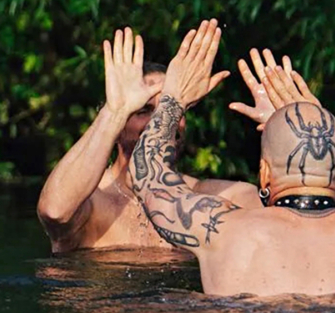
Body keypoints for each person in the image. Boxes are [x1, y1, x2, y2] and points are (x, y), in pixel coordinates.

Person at [119, 20, 335, 302]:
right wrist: (329, 137)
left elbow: (148, 176)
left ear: (264, 172)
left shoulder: (219, 230)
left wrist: (173, 100)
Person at [36, 31, 262, 254]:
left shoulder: (210, 198)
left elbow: (270, 221)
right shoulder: (92, 203)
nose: (159, 120)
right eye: (143, 110)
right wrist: (115, 112)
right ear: (118, 125)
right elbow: (55, 211)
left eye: (171, 108)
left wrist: (279, 130)